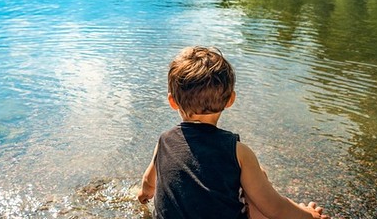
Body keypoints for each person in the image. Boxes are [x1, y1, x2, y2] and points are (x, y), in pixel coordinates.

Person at [137, 46, 329, 219]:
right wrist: (308, 216)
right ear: (230, 100)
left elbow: (148, 183)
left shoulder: (165, 141)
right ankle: (302, 209)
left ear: (172, 101)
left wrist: (143, 196)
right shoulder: (238, 152)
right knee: (257, 179)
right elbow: (274, 208)